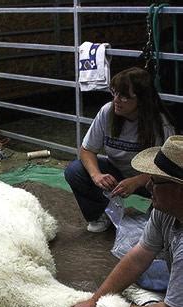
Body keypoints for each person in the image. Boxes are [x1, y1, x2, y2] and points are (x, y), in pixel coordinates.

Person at [70, 135, 183, 307]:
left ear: (179, 190)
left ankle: (155, 305)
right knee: (136, 271)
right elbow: (139, 256)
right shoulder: (164, 211)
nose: (148, 186)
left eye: (155, 181)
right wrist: (96, 299)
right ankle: (161, 303)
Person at [64, 66, 176, 233]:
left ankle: (155, 220)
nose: (116, 100)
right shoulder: (107, 112)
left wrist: (137, 181)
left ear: (142, 100)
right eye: (114, 93)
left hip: (151, 178)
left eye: (124, 97)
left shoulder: (161, 124)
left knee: (169, 198)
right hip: (117, 172)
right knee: (75, 170)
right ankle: (101, 213)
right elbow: (87, 150)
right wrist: (97, 175)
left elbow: (168, 169)